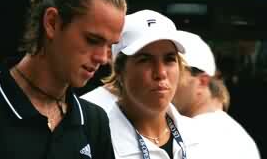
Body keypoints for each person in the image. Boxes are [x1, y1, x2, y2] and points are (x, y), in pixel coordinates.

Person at [0, 0, 127, 159]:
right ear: (52, 22)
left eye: (110, 45)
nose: (102, 57)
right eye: (93, 40)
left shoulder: (94, 122)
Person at [82, 9, 208, 159]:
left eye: (169, 59)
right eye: (145, 60)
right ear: (120, 71)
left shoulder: (200, 137)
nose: (160, 73)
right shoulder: (93, 141)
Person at [172, 30, 261, 159]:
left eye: (175, 73)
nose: (165, 82)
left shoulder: (202, 137)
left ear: (202, 81)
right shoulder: (231, 133)